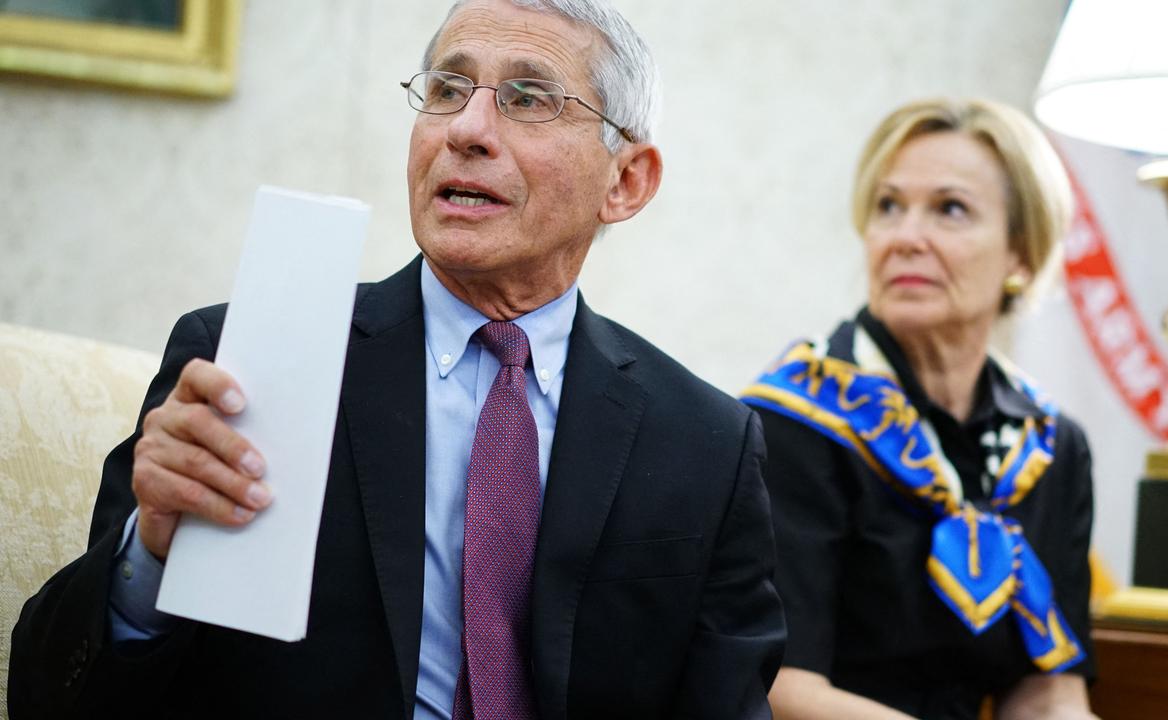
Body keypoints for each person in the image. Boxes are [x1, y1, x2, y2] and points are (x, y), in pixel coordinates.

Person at [7, 1, 785, 718]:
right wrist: (148, 558)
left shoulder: (705, 444)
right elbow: (52, 698)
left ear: (626, 180)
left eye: (525, 98)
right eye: (447, 88)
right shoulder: (250, 361)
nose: (467, 129)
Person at [743, 98, 1097, 720]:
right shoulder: (790, 422)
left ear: (1021, 253)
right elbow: (780, 689)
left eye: (950, 209)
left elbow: (1047, 691)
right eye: (888, 207)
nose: (906, 238)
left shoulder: (1051, 446)